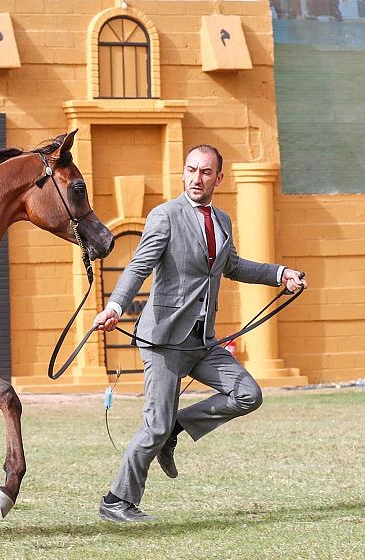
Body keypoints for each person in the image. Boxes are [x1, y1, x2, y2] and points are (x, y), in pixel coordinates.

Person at [92, 144, 307, 522]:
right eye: (191, 170)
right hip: (164, 340)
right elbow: (138, 267)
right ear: (183, 173)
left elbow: (234, 267)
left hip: (203, 340)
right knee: (154, 424)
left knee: (247, 394)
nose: (197, 178)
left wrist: (280, 274)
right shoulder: (165, 216)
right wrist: (115, 306)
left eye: (206, 172)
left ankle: (179, 424)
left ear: (218, 178)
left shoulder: (222, 220)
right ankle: (116, 501)